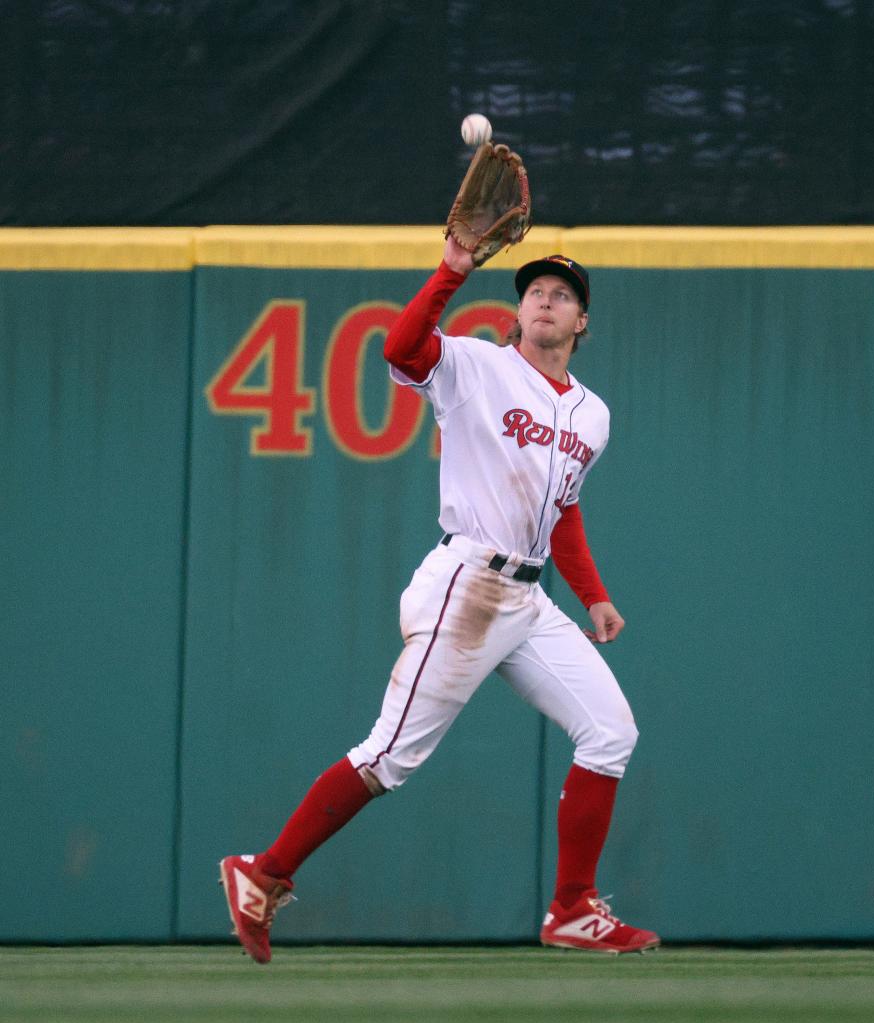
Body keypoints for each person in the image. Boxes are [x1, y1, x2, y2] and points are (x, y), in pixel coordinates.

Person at [219, 235, 660, 962]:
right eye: (535, 292)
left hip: (529, 596)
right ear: (519, 312)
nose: (545, 300)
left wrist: (594, 596)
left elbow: (563, 509)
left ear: (583, 323)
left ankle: (574, 908)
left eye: (562, 295)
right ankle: (262, 875)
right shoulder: (477, 365)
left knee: (611, 732)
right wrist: (455, 267)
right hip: (467, 585)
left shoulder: (593, 415)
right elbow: (399, 348)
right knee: (389, 757)